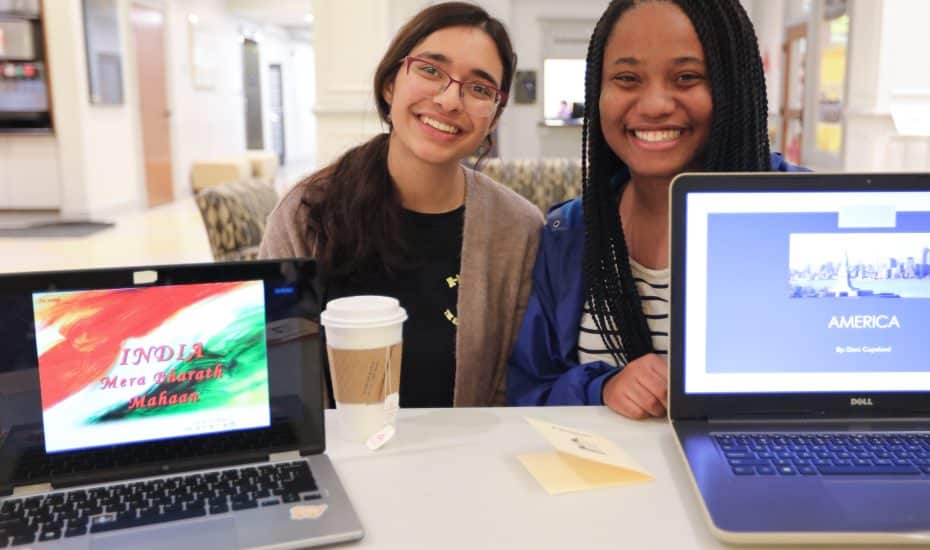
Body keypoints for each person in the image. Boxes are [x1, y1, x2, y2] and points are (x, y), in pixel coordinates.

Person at [507, 0, 805, 419]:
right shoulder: (570, 232)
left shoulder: (803, 211)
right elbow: (529, 390)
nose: (654, 105)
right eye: (627, 78)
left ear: (733, 86)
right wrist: (602, 387)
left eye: (687, 77)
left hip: (763, 475)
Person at [260, 2, 542, 408]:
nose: (449, 100)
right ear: (391, 82)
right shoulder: (307, 212)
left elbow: (508, 390)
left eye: (479, 89)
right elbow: (279, 380)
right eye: (430, 69)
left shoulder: (517, 229)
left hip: (465, 459)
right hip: (340, 462)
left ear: (493, 118)